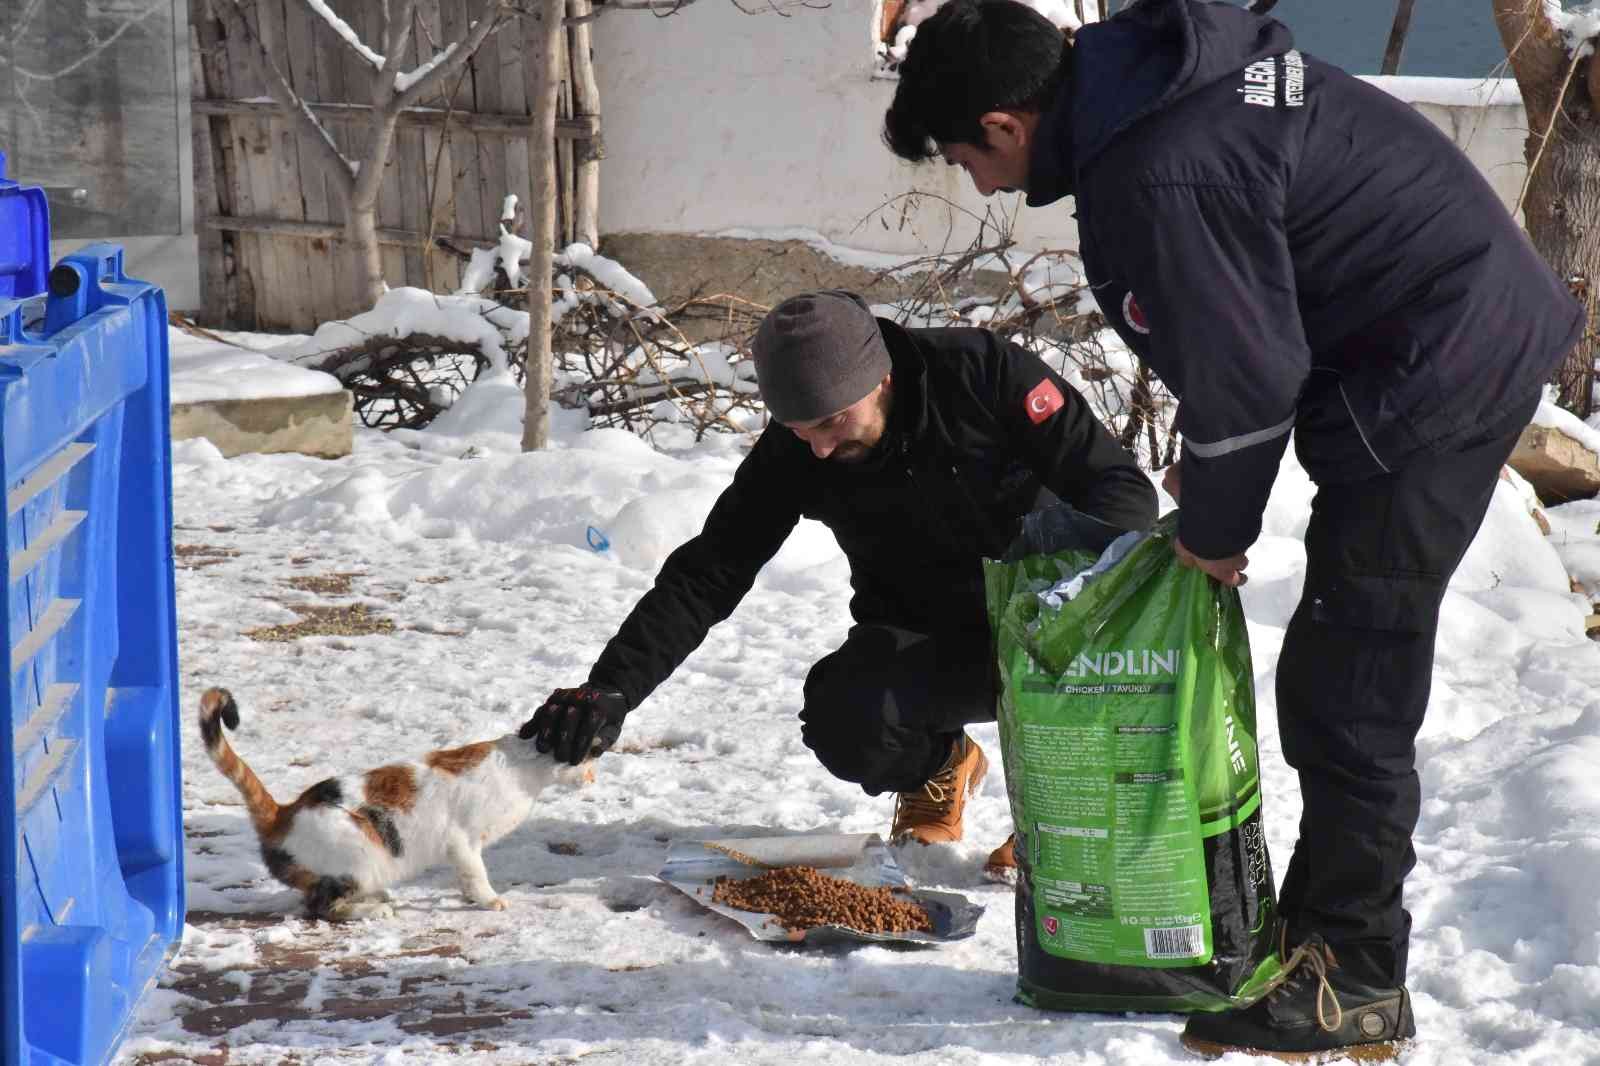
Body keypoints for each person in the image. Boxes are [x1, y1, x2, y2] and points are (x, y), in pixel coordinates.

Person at [883, 0, 1584, 1059]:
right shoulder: (1151, 100)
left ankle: (1353, 980)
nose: (976, 184)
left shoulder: (1156, 163)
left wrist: (1215, 522)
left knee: (1352, 680)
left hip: (1437, 363)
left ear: (1004, 124)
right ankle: (1318, 937)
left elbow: (1250, 377)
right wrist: (1215, 443)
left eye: (959, 157)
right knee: (1332, 671)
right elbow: (1241, 334)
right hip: (1427, 337)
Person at [523, 289, 1156, 878]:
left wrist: (1074, 608)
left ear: (880, 378)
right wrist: (610, 689)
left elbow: (1120, 491)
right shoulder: (797, 449)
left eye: (830, 423)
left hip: (1048, 626)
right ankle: (941, 768)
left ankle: (1066, 813)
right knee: (845, 716)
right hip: (927, 637)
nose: (819, 449)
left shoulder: (981, 375)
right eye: (801, 431)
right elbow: (713, 568)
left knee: (1118, 659)